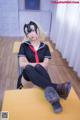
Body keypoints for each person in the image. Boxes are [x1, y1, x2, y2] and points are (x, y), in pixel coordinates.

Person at [17, 21, 71, 113]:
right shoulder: (24, 46)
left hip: (40, 74)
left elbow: (45, 65)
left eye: (33, 30)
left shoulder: (45, 47)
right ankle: (57, 87)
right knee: (30, 67)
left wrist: (30, 63)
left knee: (38, 67)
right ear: (26, 35)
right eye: (28, 32)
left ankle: (55, 101)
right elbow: (22, 64)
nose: (31, 34)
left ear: (38, 30)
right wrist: (34, 64)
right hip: (27, 76)